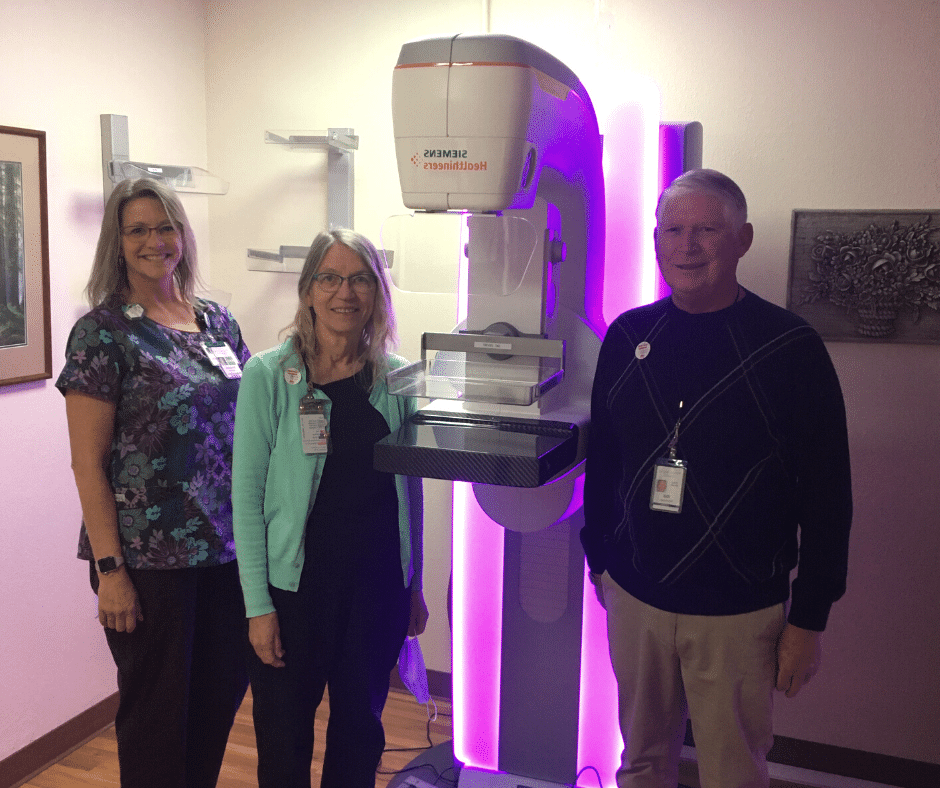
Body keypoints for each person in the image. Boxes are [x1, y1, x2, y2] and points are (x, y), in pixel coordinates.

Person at [581, 169, 852, 788]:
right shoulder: (628, 336)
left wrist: (809, 618)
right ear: (655, 239)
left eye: (707, 230)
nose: (687, 246)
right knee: (642, 761)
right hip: (636, 597)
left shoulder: (791, 348)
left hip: (737, 612)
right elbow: (608, 461)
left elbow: (829, 496)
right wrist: (597, 555)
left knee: (732, 770)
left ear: (744, 239)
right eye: (673, 230)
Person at [57, 178, 251, 787]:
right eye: (137, 229)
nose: (154, 241)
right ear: (117, 242)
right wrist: (111, 571)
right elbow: (86, 463)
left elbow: (246, 426)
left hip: (226, 552)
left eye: (165, 226)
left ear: (182, 236)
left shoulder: (216, 320)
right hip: (146, 561)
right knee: (155, 719)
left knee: (217, 702)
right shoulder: (103, 333)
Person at [232, 228, 428, 788]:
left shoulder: (398, 378)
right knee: (284, 733)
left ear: (376, 292)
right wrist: (256, 607)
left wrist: (413, 584)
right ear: (309, 289)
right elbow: (244, 498)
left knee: (360, 729)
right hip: (295, 594)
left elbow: (410, 491)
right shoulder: (268, 376)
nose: (346, 292)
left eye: (361, 279)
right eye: (331, 277)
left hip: (375, 588)